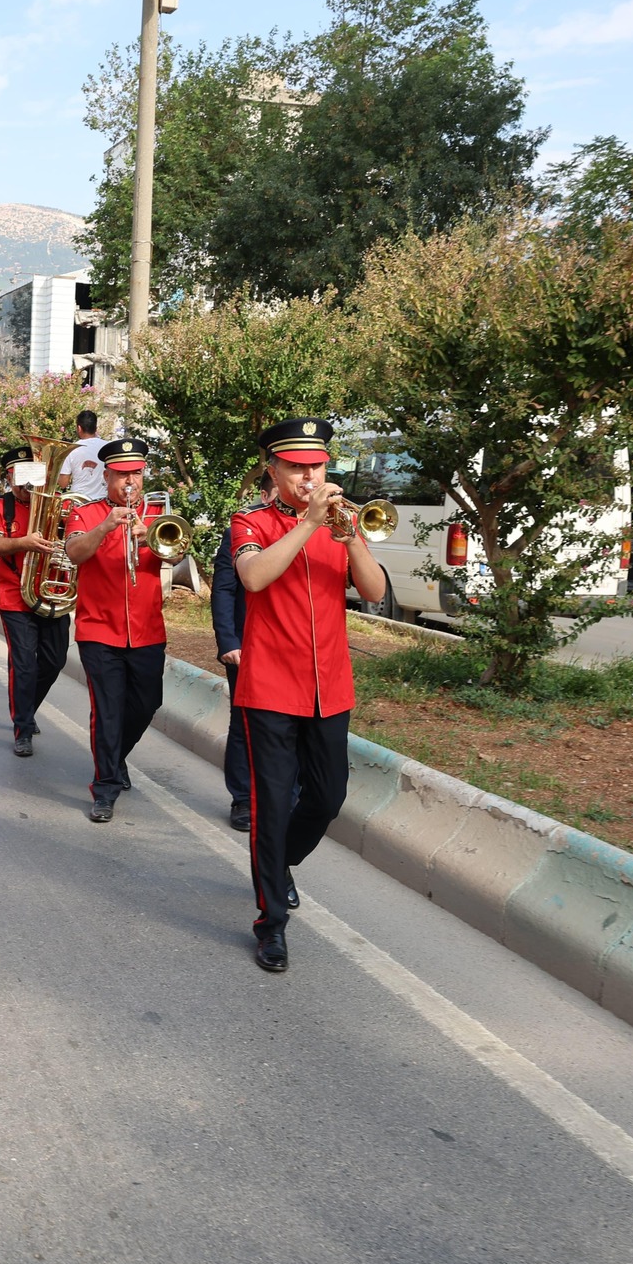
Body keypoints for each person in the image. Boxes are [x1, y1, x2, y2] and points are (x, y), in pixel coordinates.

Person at [231, 417, 389, 974]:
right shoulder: (249, 521)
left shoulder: (342, 524)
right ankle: (270, 923)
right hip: (271, 686)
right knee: (271, 809)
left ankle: (280, 865)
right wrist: (306, 524)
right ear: (273, 470)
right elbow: (253, 579)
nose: (307, 476)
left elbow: (373, 591)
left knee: (327, 798)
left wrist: (350, 539)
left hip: (331, 688)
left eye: (316, 466)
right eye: (296, 466)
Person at [63, 437, 167, 823]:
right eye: (122, 474)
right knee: (107, 710)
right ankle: (105, 787)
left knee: (147, 704)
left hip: (147, 630)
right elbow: (74, 553)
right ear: (107, 476)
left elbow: (180, 551)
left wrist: (150, 536)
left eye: (136, 474)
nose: (129, 482)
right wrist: (106, 527)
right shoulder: (86, 513)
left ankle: (115, 755)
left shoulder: (157, 514)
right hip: (98, 630)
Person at [0, 444, 72, 757]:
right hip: (15, 596)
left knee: (55, 660)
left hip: (52, 593)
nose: (25, 483)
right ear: (9, 477)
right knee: (23, 665)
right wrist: (24, 542)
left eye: (30, 475)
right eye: (18, 476)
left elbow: (74, 541)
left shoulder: (57, 505)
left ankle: (27, 707)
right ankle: (22, 727)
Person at [210, 524, 252, 830]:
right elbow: (224, 588)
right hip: (247, 646)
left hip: (297, 650)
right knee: (243, 723)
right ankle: (243, 798)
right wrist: (228, 640)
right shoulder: (238, 531)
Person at [60, 410, 107, 503]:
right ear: (96, 428)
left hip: (78, 503)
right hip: (102, 501)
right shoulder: (109, 447)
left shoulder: (71, 449)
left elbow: (63, 484)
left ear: (79, 428)